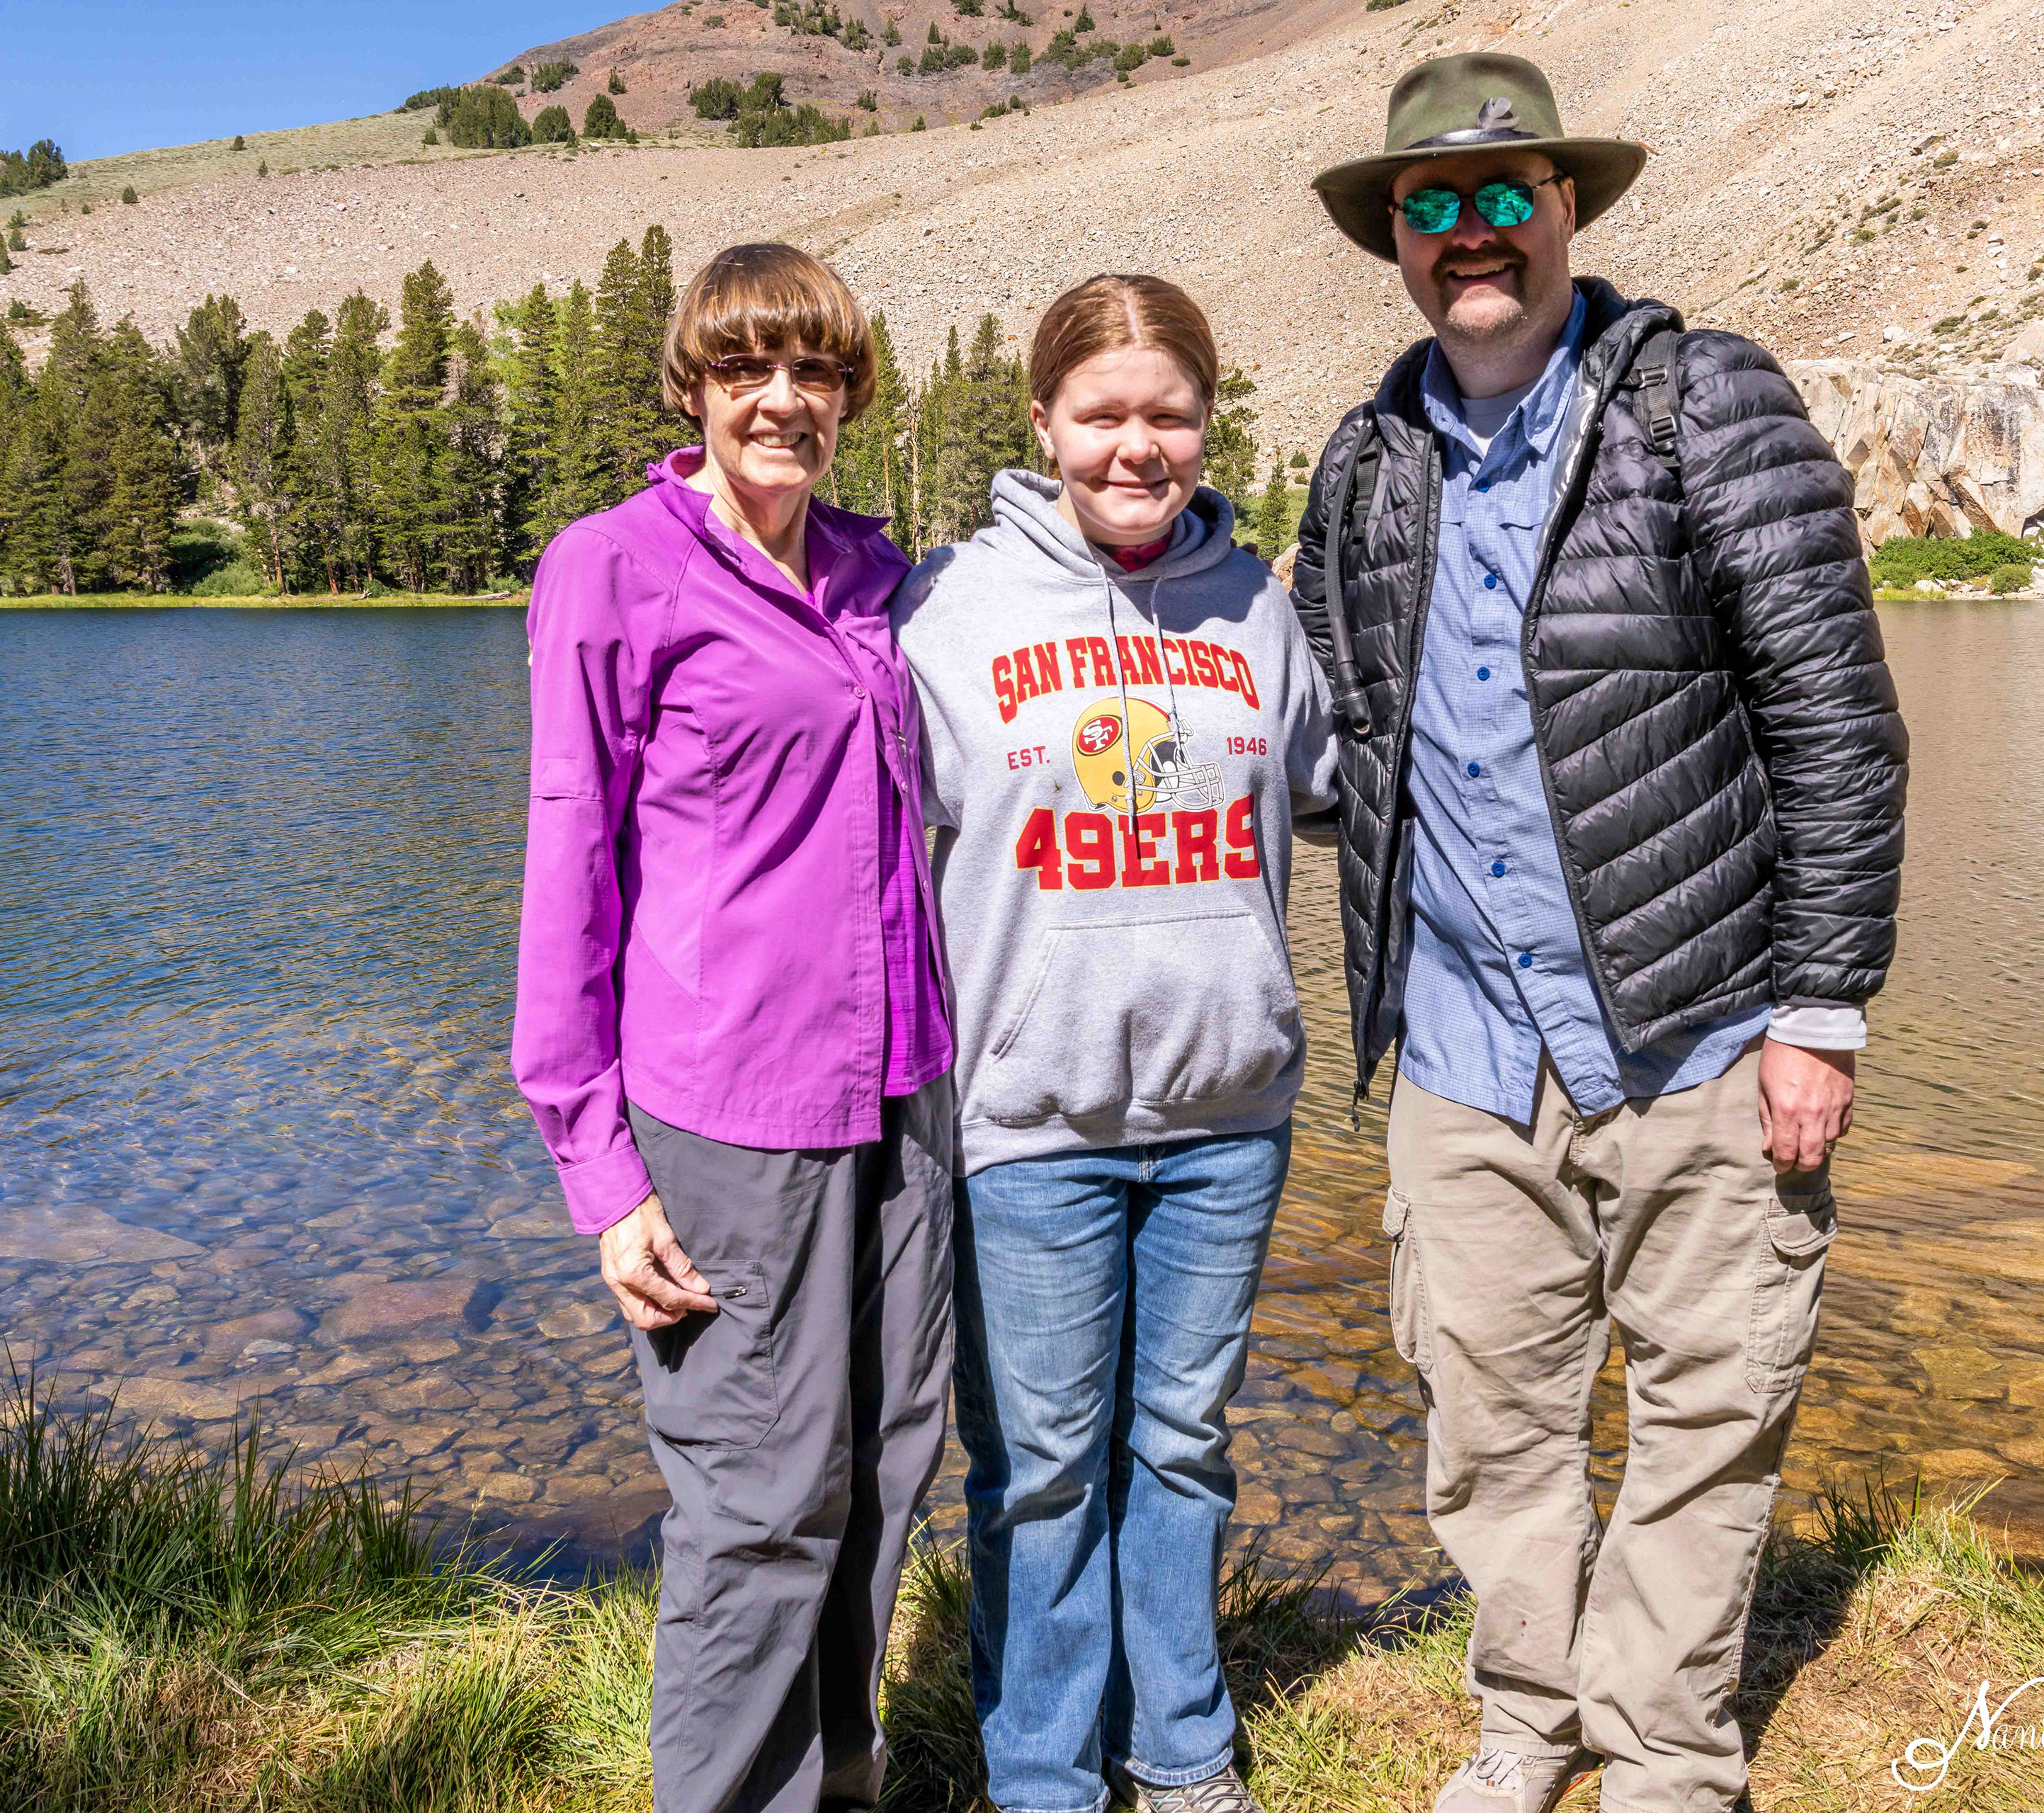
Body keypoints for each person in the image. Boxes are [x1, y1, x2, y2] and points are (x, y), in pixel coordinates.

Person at [1293, 55, 1909, 1813]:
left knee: (1712, 1411)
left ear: (1569, 207)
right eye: (1436, 205)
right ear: (1393, 238)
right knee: (1491, 1429)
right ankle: (1527, 1721)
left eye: (1508, 194)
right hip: (1468, 1053)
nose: (1473, 234)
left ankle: (1660, 1754)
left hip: (1705, 1024)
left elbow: (1836, 721)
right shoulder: (1366, 456)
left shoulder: (1705, 401)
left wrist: (1823, 1003)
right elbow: (1336, 727)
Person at [511, 242, 954, 1813]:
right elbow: (570, 858)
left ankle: (837, 1773)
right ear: (693, 384)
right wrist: (599, 1167)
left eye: (818, 370)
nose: (786, 399)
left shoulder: (873, 572)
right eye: (750, 368)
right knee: (760, 1494)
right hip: (729, 1103)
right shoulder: (613, 565)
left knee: (889, 1455)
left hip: (906, 1086)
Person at [893, 275, 1339, 1813]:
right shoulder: (949, 611)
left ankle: (1186, 1745)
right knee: (1039, 1466)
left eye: (1169, 415)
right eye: (1104, 415)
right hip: (1033, 1120)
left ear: (1207, 425)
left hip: (1228, 1113)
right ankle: (1042, 1771)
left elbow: (1354, 774)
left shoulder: (1256, 609)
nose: (1137, 447)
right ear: (1043, 422)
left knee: (1185, 1445)